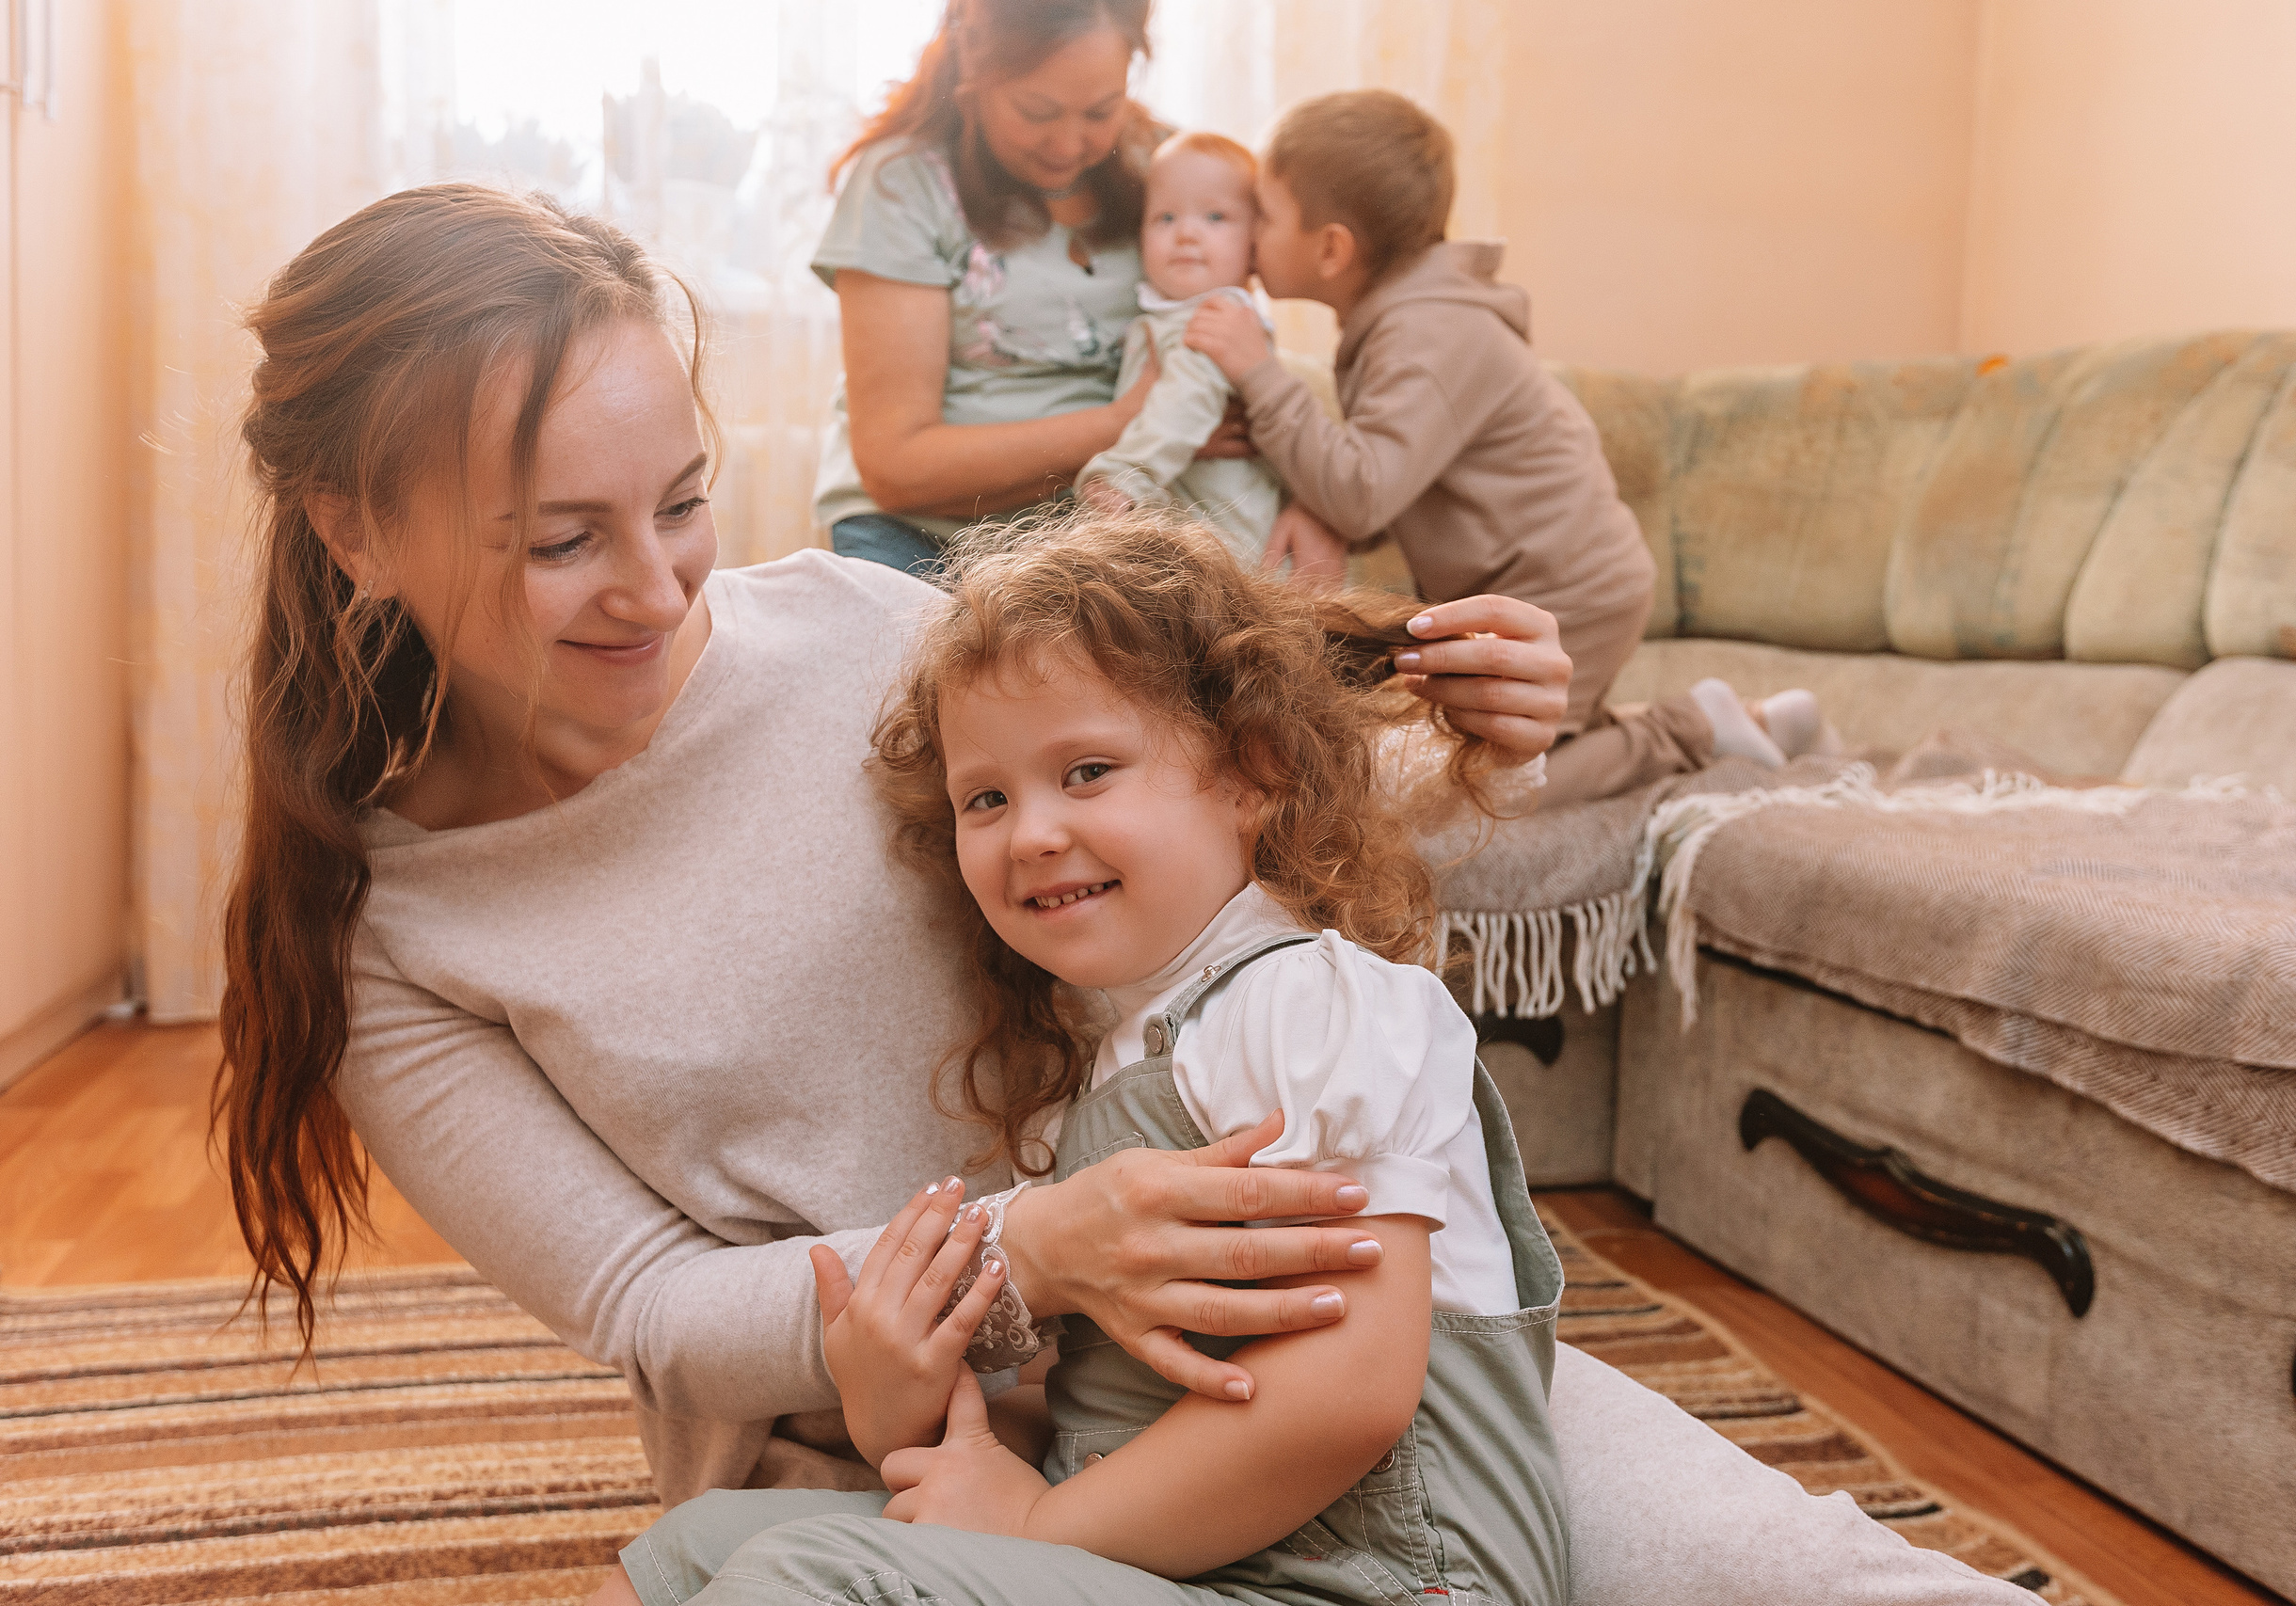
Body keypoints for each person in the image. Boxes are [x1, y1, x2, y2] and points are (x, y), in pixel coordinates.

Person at [211, 125, 2031, 1606]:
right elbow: (648, 1306)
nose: (657, 584)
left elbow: (1153, 809)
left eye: (683, 500)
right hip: (898, 1459)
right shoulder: (395, 929)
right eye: (558, 541)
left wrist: (1470, 726)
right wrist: (1042, 1248)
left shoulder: (853, 624)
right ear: (358, 530)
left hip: (1266, 1350)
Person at [592, 514, 1566, 1605]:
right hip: (1183, 1561)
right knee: (699, 1544)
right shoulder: (1110, 1062)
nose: (1032, 833)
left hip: (1369, 1583)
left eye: (1088, 771)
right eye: (987, 799)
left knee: (811, 1576)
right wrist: (897, 1401)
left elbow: (1346, 1396)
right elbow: (1046, 1426)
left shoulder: (1312, 1003)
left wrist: (1037, 1523)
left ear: (1254, 773)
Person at [1186, 90, 1829, 803]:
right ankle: (1753, 721)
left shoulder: (1429, 333)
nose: (1247, 236)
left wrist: (1258, 371)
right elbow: (1377, 484)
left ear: (1333, 248)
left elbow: (1363, 492)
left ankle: (1695, 731)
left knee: (1494, 786)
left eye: (1265, 216)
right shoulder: (1409, 320)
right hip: (1532, 587)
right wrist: (1316, 500)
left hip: (1566, 592)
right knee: (1511, 745)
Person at [812, 0, 1343, 583]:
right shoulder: (901, 184)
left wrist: (1315, 502)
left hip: (1106, 527)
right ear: (972, 61)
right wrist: (1131, 421)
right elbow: (897, 467)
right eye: (1036, 112)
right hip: (919, 530)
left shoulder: (1170, 166)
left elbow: (1259, 333)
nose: (1068, 145)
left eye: (1100, 111)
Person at [1074, 135, 1284, 564]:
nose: (1186, 233)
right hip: (1190, 532)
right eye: (1165, 217)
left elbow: (1187, 399)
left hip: (1232, 540)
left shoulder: (1219, 316)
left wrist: (1123, 476)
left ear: (1255, 246)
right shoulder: (1171, 314)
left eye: (1216, 216)